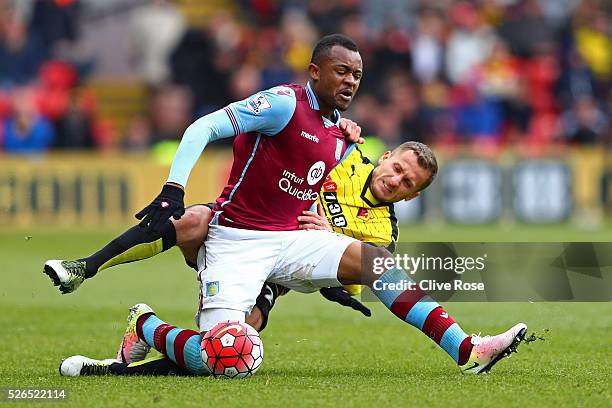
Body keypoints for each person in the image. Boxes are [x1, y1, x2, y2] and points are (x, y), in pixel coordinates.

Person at [51, 34, 526, 376]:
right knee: (223, 359)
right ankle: (147, 325)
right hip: (235, 241)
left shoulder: (340, 130)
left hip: (290, 242)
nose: (351, 81)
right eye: (341, 71)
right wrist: (174, 187)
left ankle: (467, 349)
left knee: (379, 262)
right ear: (315, 71)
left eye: (357, 75)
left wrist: (336, 279)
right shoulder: (281, 103)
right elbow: (201, 127)